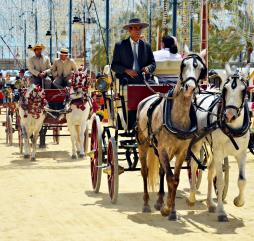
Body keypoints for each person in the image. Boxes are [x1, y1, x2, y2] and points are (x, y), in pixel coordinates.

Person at [111, 18, 156, 85]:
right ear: (129, 30)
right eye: (135, 28)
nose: (138, 31)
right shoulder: (120, 46)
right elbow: (114, 66)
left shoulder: (147, 46)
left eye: (140, 28)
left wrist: (148, 68)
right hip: (126, 80)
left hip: (144, 80)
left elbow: (153, 64)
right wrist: (126, 70)